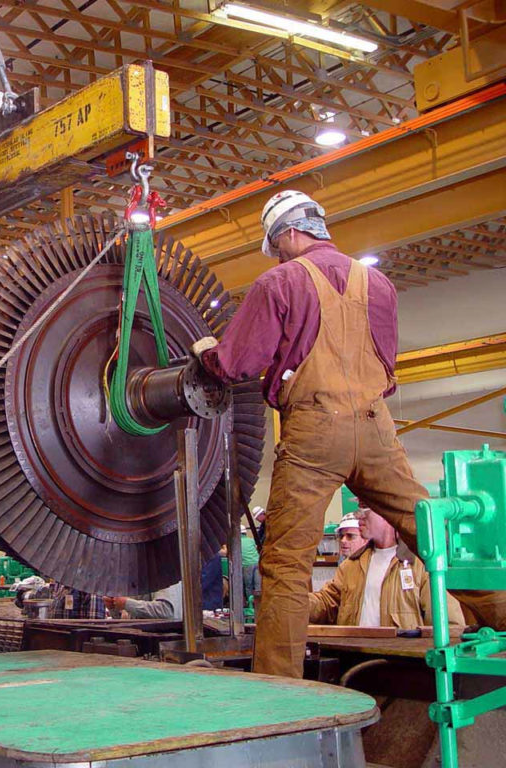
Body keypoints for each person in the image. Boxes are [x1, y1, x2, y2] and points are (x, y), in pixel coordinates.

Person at [190, 189, 505, 677]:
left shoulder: (280, 283)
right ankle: (502, 618)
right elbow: (389, 368)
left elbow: (236, 365)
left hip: (315, 430)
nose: (276, 255)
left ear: (290, 234)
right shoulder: (378, 283)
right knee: (431, 532)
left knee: (287, 562)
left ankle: (280, 688)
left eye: (276, 245)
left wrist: (208, 352)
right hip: (378, 426)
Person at [310, 507, 464, 629]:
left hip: (399, 663)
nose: (358, 515)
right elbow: (326, 603)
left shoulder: (421, 566)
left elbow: (448, 625)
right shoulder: (351, 566)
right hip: (356, 662)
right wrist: (295, 601)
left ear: (386, 512)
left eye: (365, 508)